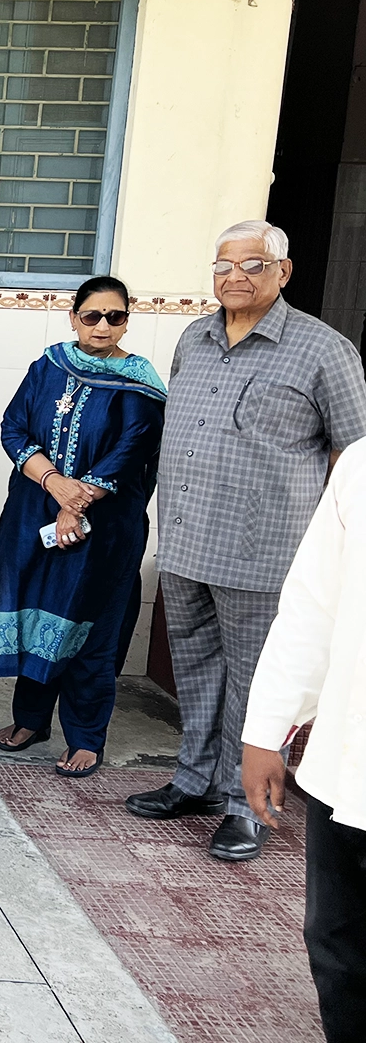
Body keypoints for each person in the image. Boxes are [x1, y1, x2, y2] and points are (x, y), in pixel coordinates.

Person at [126, 220, 366, 862]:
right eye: (223, 264)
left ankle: (245, 805)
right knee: (197, 668)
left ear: (283, 273)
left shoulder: (324, 350)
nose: (235, 276)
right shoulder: (193, 339)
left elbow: (354, 457)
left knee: (260, 683)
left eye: (253, 265)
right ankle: (194, 780)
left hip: (265, 553)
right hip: (185, 540)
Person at [0, 275, 166, 775]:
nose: (103, 326)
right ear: (73, 316)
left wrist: (76, 503)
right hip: (33, 510)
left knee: (89, 620)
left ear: (127, 319)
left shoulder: (141, 382)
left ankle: (85, 735)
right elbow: (13, 427)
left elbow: (133, 449)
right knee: (38, 611)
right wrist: (56, 485)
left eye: (116, 317)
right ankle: (32, 719)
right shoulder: (48, 366)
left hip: (105, 524)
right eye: (92, 316)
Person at [241, 441, 366, 1042]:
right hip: (348, 764)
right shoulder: (361, 465)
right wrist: (268, 732)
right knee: (337, 942)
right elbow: (312, 610)